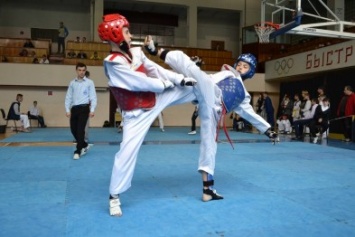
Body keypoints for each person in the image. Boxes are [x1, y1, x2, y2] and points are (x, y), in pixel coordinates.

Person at [98, 14, 198, 217]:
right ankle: (114, 196)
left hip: (155, 99)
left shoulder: (136, 52)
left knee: (195, 86)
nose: (131, 35)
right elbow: (140, 82)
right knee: (125, 153)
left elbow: (156, 69)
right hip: (135, 116)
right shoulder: (112, 63)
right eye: (127, 31)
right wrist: (165, 85)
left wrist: (179, 79)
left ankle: (216, 91)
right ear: (116, 34)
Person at [65, 62, 97, 160]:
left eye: (83, 70)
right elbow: (68, 97)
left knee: (80, 130)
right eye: (79, 70)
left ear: (85, 71)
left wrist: (92, 110)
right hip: (74, 108)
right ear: (76, 71)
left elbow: (93, 97)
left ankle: (78, 151)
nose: (81, 72)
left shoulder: (89, 82)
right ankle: (84, 144)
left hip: (84, 108)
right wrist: (67, 109)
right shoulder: (72, 83)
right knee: (73, 129)